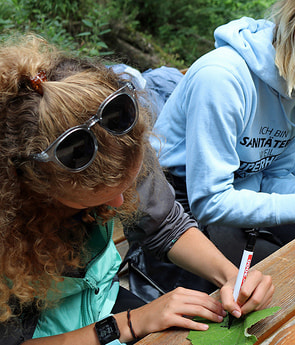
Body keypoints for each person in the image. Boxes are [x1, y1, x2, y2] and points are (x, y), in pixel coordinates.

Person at [0, 35, 273, 345]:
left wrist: (231, 276)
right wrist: (129, 323)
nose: (120, 202)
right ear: (30, 186)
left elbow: (165, 224)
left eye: (127, 184)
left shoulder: (113, 131)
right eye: (95, 200)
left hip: (102, 305)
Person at [151, 0, 295, 265]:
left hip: (242, 197)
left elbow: (276, 173)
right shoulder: (220, 79)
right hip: (178, 210)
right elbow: (209, 201)